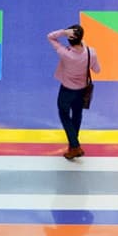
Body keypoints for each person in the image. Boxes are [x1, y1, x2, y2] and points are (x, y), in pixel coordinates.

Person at [47, 25, 100, 160]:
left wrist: (64, 32)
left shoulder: (64, 53)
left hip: (66, 90)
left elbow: (50, 37)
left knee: (64, 114)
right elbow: (97, 70)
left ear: (69, 38)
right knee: (77, 115)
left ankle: (75, 146)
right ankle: (73, 145)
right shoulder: (91, 53)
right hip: (82, 90)